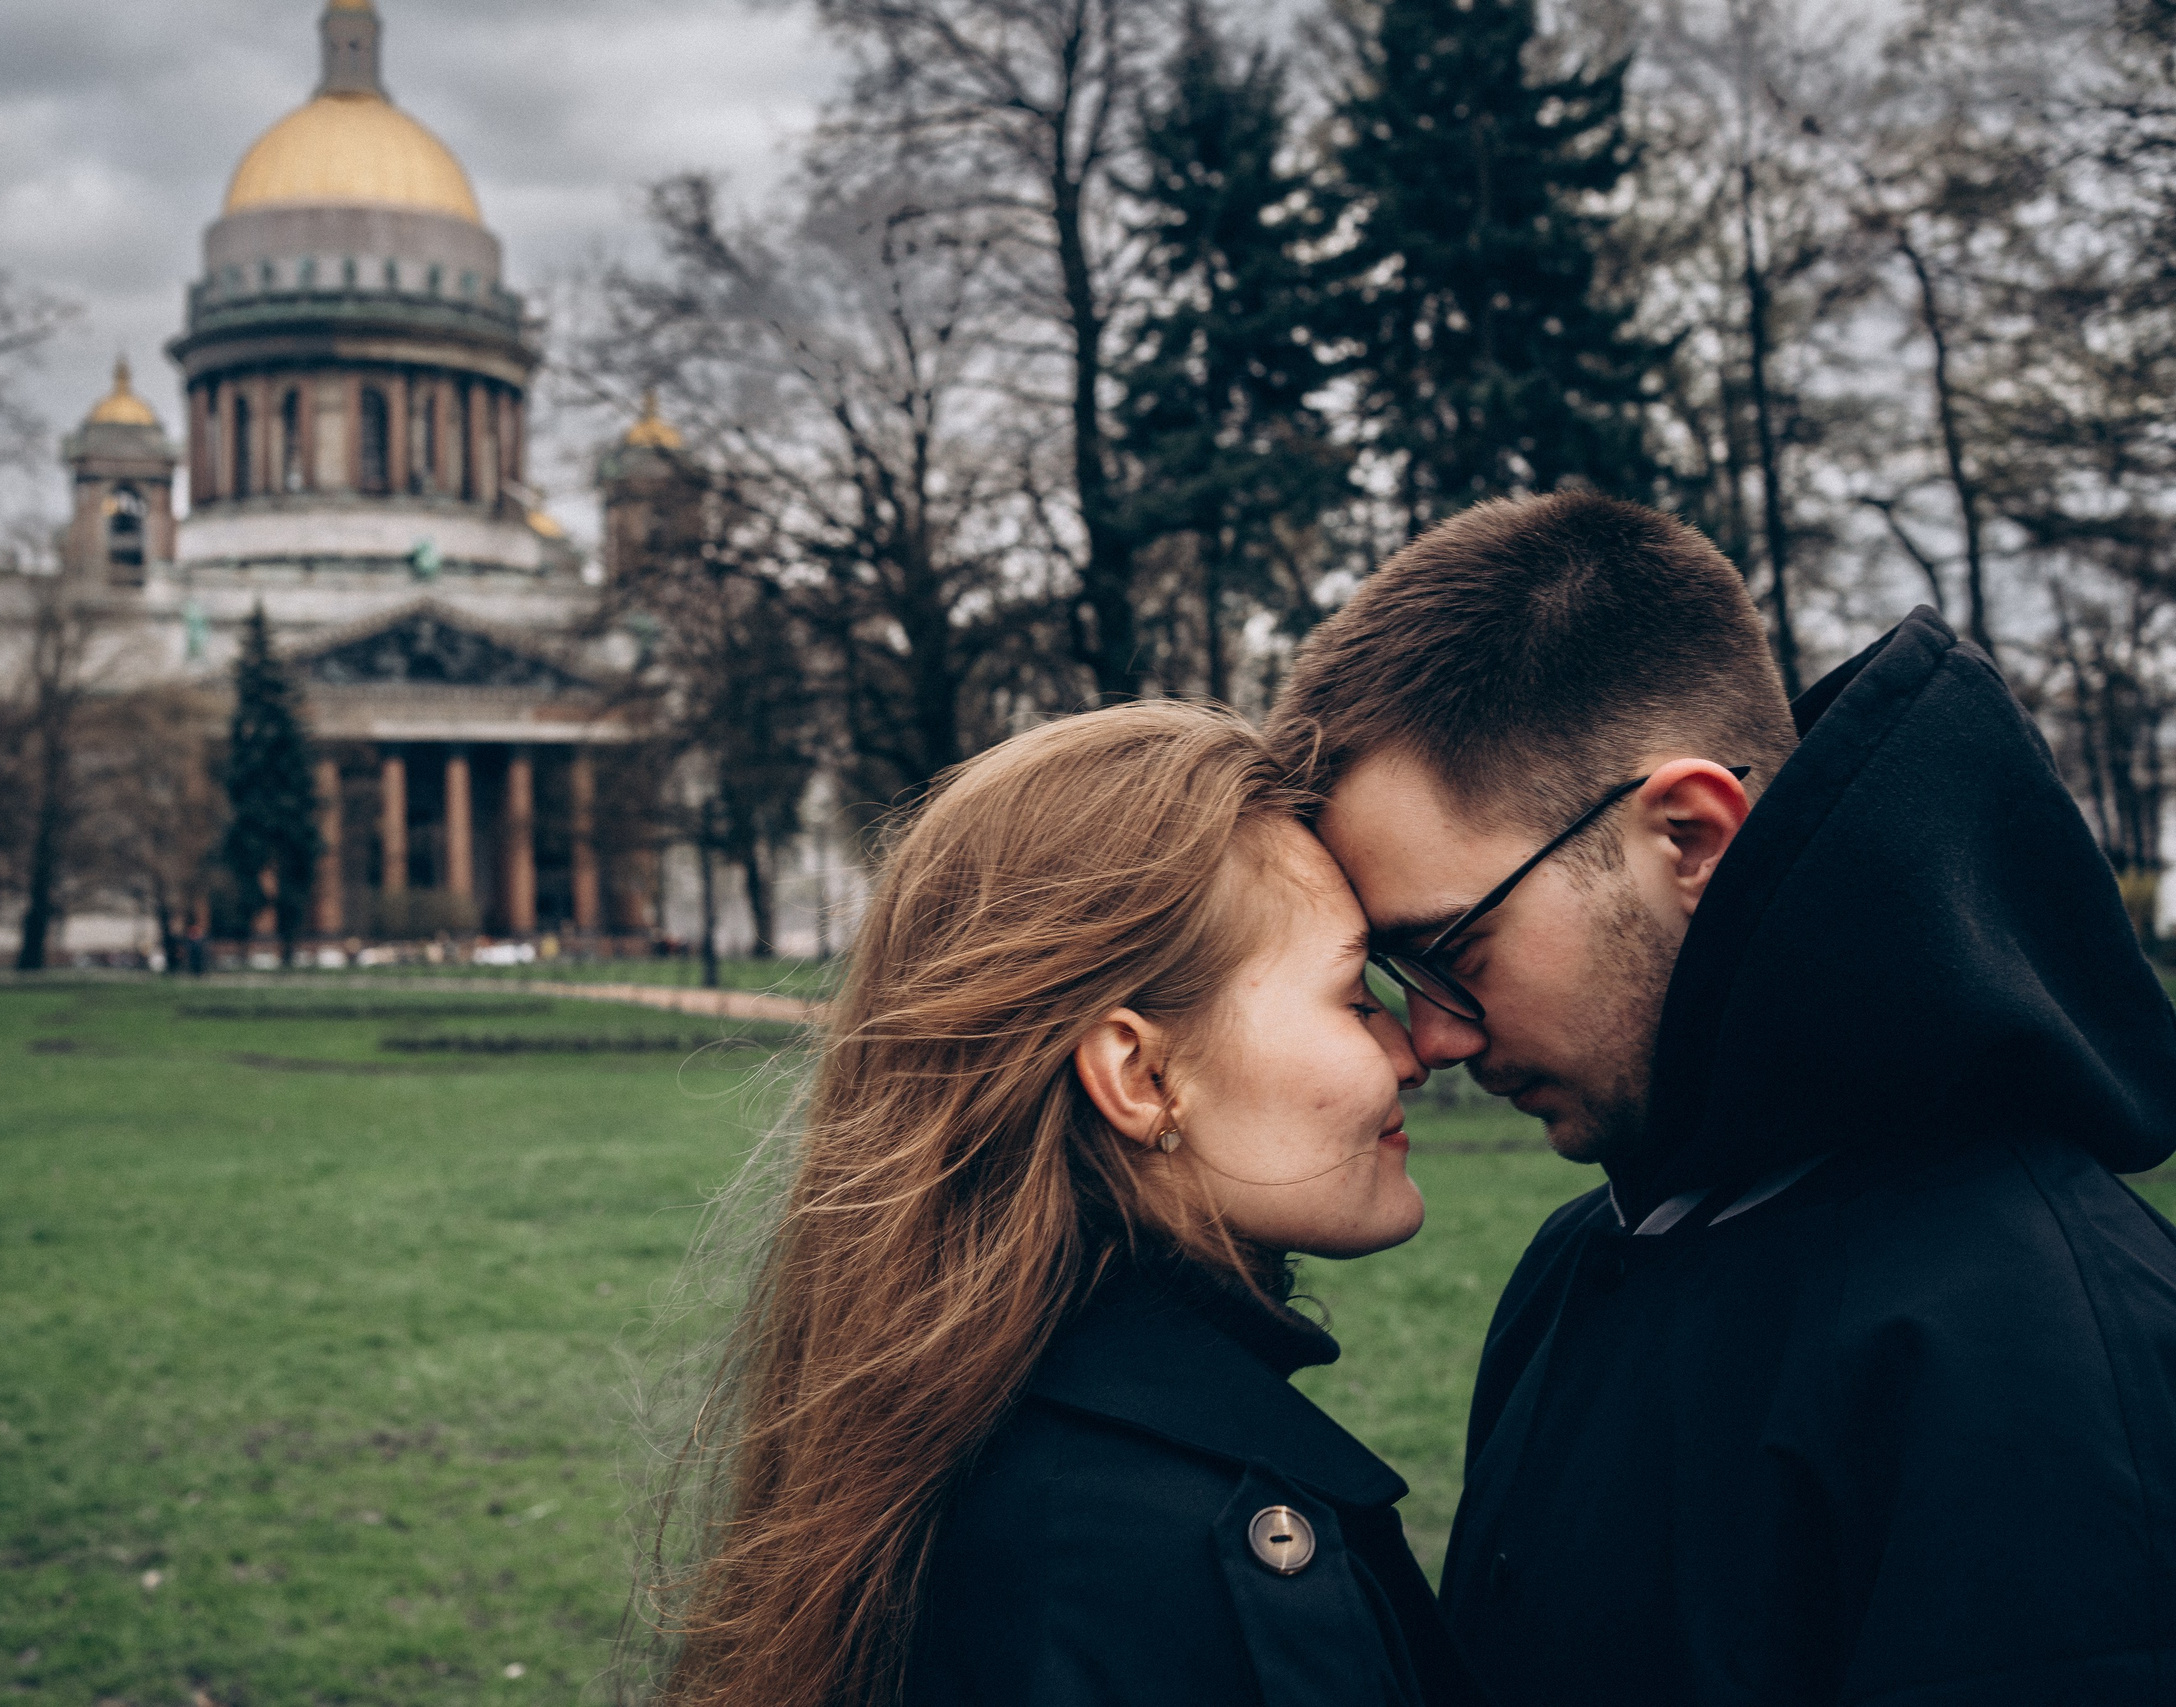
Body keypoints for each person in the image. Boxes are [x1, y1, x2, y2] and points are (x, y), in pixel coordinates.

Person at [1268, 490, 2176, 1706]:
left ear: (1689, 838)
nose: (1427, 1037)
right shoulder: (1577, 1267)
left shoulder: (2038, 1346)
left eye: (1457, 950)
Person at [648, 702, 1484, 1707]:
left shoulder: (975, 1439)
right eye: (1354, 998)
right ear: (1139, 1076)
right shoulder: (1158, 1551)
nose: (1412, 1050)